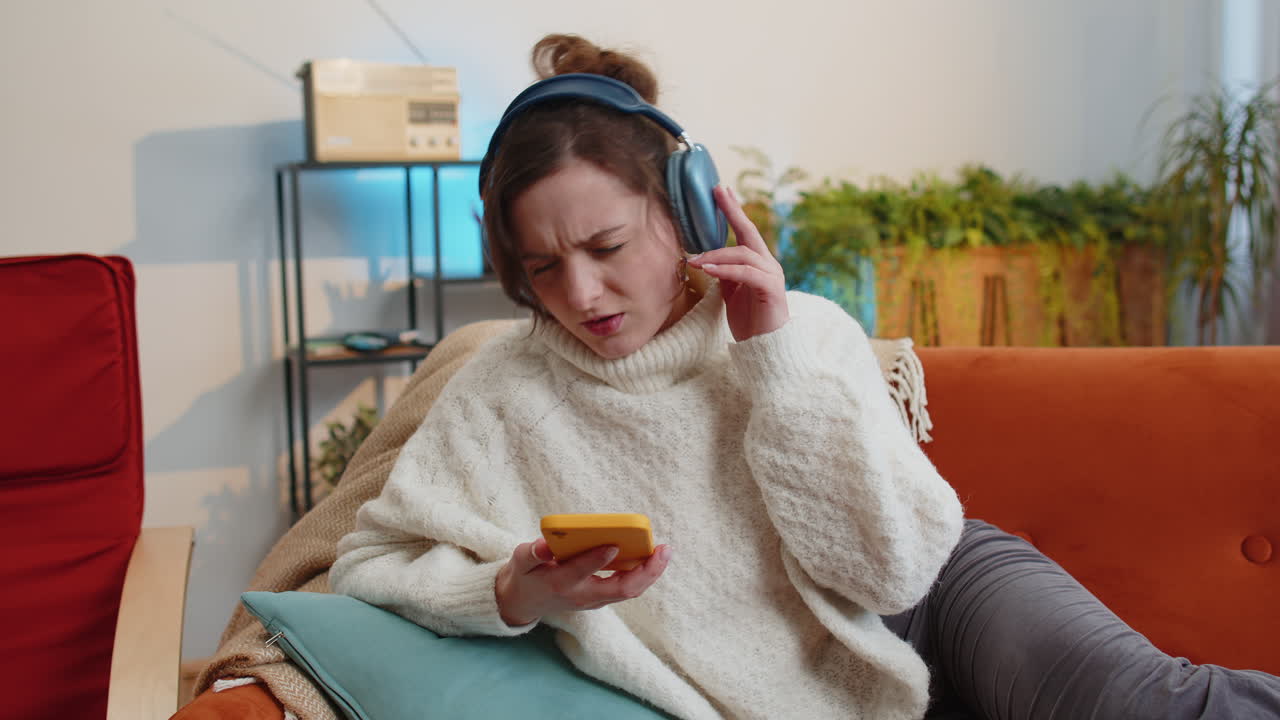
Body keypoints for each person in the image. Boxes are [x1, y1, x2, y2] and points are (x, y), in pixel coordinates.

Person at [331, 34, 1280, 720]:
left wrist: (770, 356)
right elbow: (366, 565)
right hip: (791, 678)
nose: (580, 292)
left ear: (691, 212)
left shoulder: (802, 333)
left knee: (1153, 705)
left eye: (607, 245)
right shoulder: (504, 392)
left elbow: (890, 570)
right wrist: (514, 596)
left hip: (928, 596)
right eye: (542, 267)